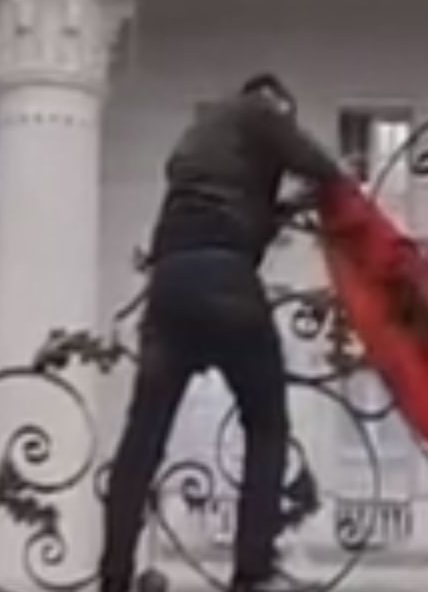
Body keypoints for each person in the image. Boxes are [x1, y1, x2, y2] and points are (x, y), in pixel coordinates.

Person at [101, 73, 344, 592]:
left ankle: (114, 571)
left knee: (144, 435)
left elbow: (227, 209)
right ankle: (251, 570)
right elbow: (323, 168)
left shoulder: (197, 139)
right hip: (226, 282)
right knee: (266, 423)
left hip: (170, 286)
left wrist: (282, 210)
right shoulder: (261, 113)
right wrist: (339, 190)